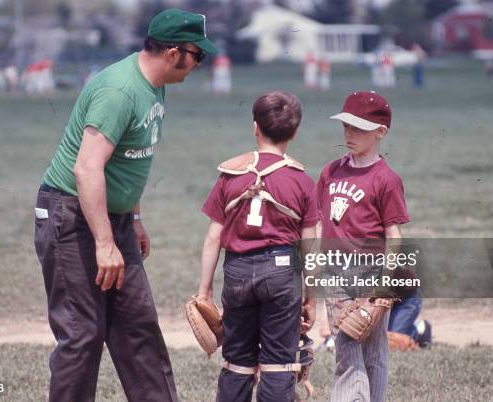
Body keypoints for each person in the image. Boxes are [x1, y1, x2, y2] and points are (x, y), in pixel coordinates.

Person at [33, 9, 217, 402]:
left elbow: (132, 158)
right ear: (172, 52)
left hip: (111, 218)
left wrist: (132, 216)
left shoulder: (156, 85)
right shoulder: (120, 91)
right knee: (83, 333)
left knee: (138, 326)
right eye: (196, 54)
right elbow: (87, 168)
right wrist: (103, 242)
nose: (199, 63)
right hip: (70, 215)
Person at [197, 91, 318, 402]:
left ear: (255, 127)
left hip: (237, 271)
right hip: (281, 272)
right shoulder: (301, 180)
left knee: (236, 362)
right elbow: (310, 245)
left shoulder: (231, 175)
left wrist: (204, 291)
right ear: (295, 132)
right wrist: (311, 298)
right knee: (279, 365)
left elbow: (213, 238)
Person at [317, 91, 410, 402]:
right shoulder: (330, 172)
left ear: (380, 132)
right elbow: (320, 225)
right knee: (347, 347)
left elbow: (394, 235)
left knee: (373, 350)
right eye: (346, 126)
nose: (349, 133)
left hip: (371, 274)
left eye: (358, 127)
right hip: (335, 273)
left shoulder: (386, 179)